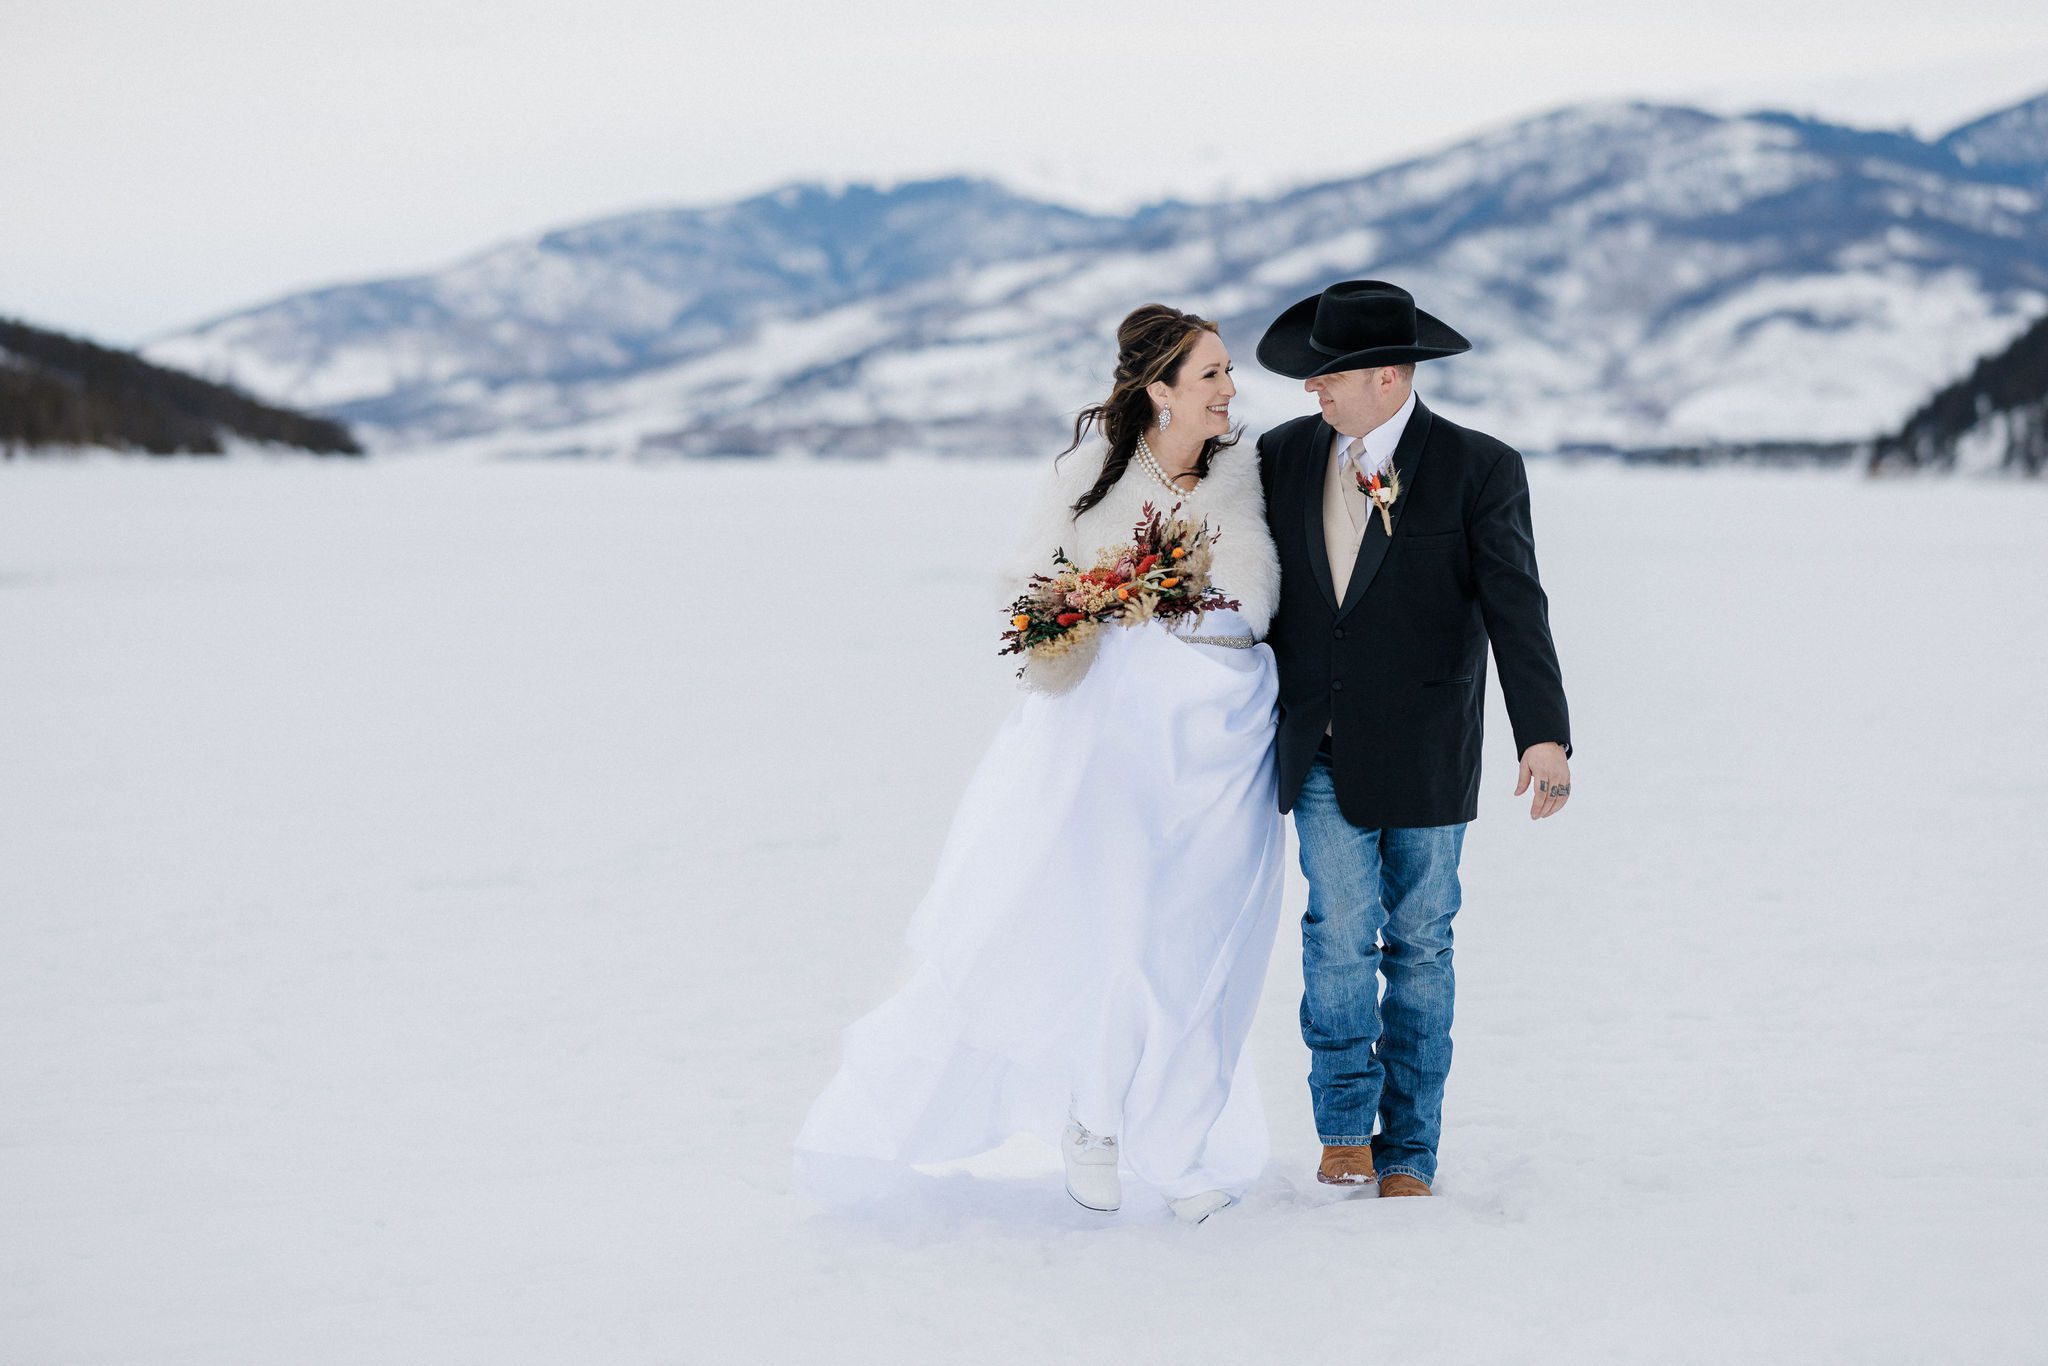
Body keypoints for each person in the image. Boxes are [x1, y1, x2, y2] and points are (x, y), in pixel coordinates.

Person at [793, 305, 1284, 1224]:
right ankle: (1094, 1121)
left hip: (1223, 741)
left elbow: (1255, 592)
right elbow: (1025, 588)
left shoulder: (1248, 469)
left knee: (1196, 945)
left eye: (1227, 372)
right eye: (1211, 374)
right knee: (1115, 930)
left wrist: (1179, 608)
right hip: (1112, 743)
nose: (1229, 389)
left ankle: (1178, 1147)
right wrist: (1090, 605)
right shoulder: (1084, 475)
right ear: (1159, 391)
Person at [1252, 279, 1573, 1198]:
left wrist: (1544, 736)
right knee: (1337, 933)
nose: (1314, 390)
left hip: (1431, 746)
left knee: (1423, 942)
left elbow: (1518, 608)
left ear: (1388, 377)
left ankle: (1412, 1149)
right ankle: (1346, 1125)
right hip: (1315, 743)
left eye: (1330, 376)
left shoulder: (1480, 467)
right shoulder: (1277, 456)